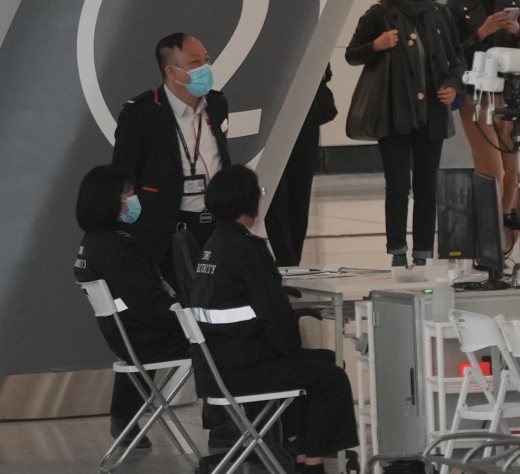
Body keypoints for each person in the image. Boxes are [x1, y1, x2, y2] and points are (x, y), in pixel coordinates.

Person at [191, 165, 359, 474]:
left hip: (215, 367)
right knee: (331, 375)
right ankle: (313, 463)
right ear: (250, 201)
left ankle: (305, 456)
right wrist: (293, 351)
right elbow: (275, 317)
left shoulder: (213, 247)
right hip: (242, 370)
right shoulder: (246, 249)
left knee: (322, 364)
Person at [345, 0, 466, 267]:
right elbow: (352, 53)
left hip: (432, 115)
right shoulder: (379, 14)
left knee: (427, 186)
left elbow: (457, 60)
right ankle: (397, 250)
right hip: (393, 112)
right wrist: (376, 45)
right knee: (398, 184)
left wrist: (453, 86)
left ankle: (424, 252)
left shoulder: (440, 14)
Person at [73, 164, 187, 449]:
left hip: (128, 335)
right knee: (225, 338)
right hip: (148, 337)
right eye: (129, 193)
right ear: (109, 200)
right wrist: (189, 313)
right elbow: (149, 304)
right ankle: (231, 426)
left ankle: (125, 416)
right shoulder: (115, 248)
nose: (134, 199)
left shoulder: (94, 243)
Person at [112, 32, 231, 294]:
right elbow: (123, 172)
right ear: (172, 71)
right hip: (168, 225)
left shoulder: (217, 104)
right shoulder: (141, 114)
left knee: (220, 296)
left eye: (207, 60)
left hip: (217, 224)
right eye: (195, 62)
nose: (205, 68)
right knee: (180, 300)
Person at [446, 0, 520, 254]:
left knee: (512, 162)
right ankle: (489, 227)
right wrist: (482, 31)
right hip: (475, 94)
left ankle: (506, 220)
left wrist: (516, 31)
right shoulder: (457, 4)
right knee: (492, 166)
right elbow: (453, 53)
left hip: (508, 91)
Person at [264, 65, 336, 266]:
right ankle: (286, 260)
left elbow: (324, 68)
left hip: (305, 109)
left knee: (300, 192)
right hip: (272, 108)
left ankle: (293, 261)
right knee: (277, 194)